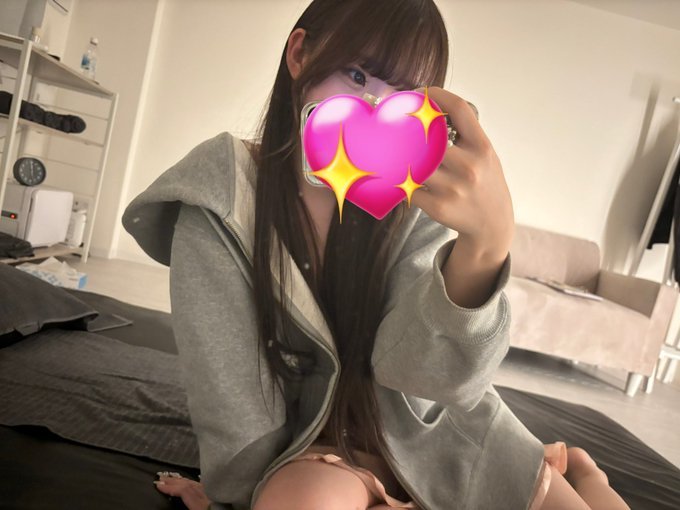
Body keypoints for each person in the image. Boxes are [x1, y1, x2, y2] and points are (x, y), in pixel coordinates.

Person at [123, 1, 630, 509]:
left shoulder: (420, 197)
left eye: (403, 95)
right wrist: (234, 495)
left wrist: (486, 247)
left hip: (438, 440)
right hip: (311, 452)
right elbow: (230, 400)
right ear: (300, 54)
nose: (374, 108)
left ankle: (588, 478)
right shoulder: (220, 199)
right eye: (357, 74)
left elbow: (424, 377)